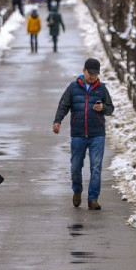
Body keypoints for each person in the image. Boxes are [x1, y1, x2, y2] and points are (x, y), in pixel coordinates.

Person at [52, 58, 114, 210]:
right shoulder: (73, 87)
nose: (93, 76)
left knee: (96, 167)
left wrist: (103, 109)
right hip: (78, 134)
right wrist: (57, 121)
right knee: (76, 166)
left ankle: (93, 199)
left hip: (97, 134)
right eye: (90, 73)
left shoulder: (101, 88)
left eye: (96, 74)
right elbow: (63, 105)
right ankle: (77, 190)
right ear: (84, 71)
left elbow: (110, 108)